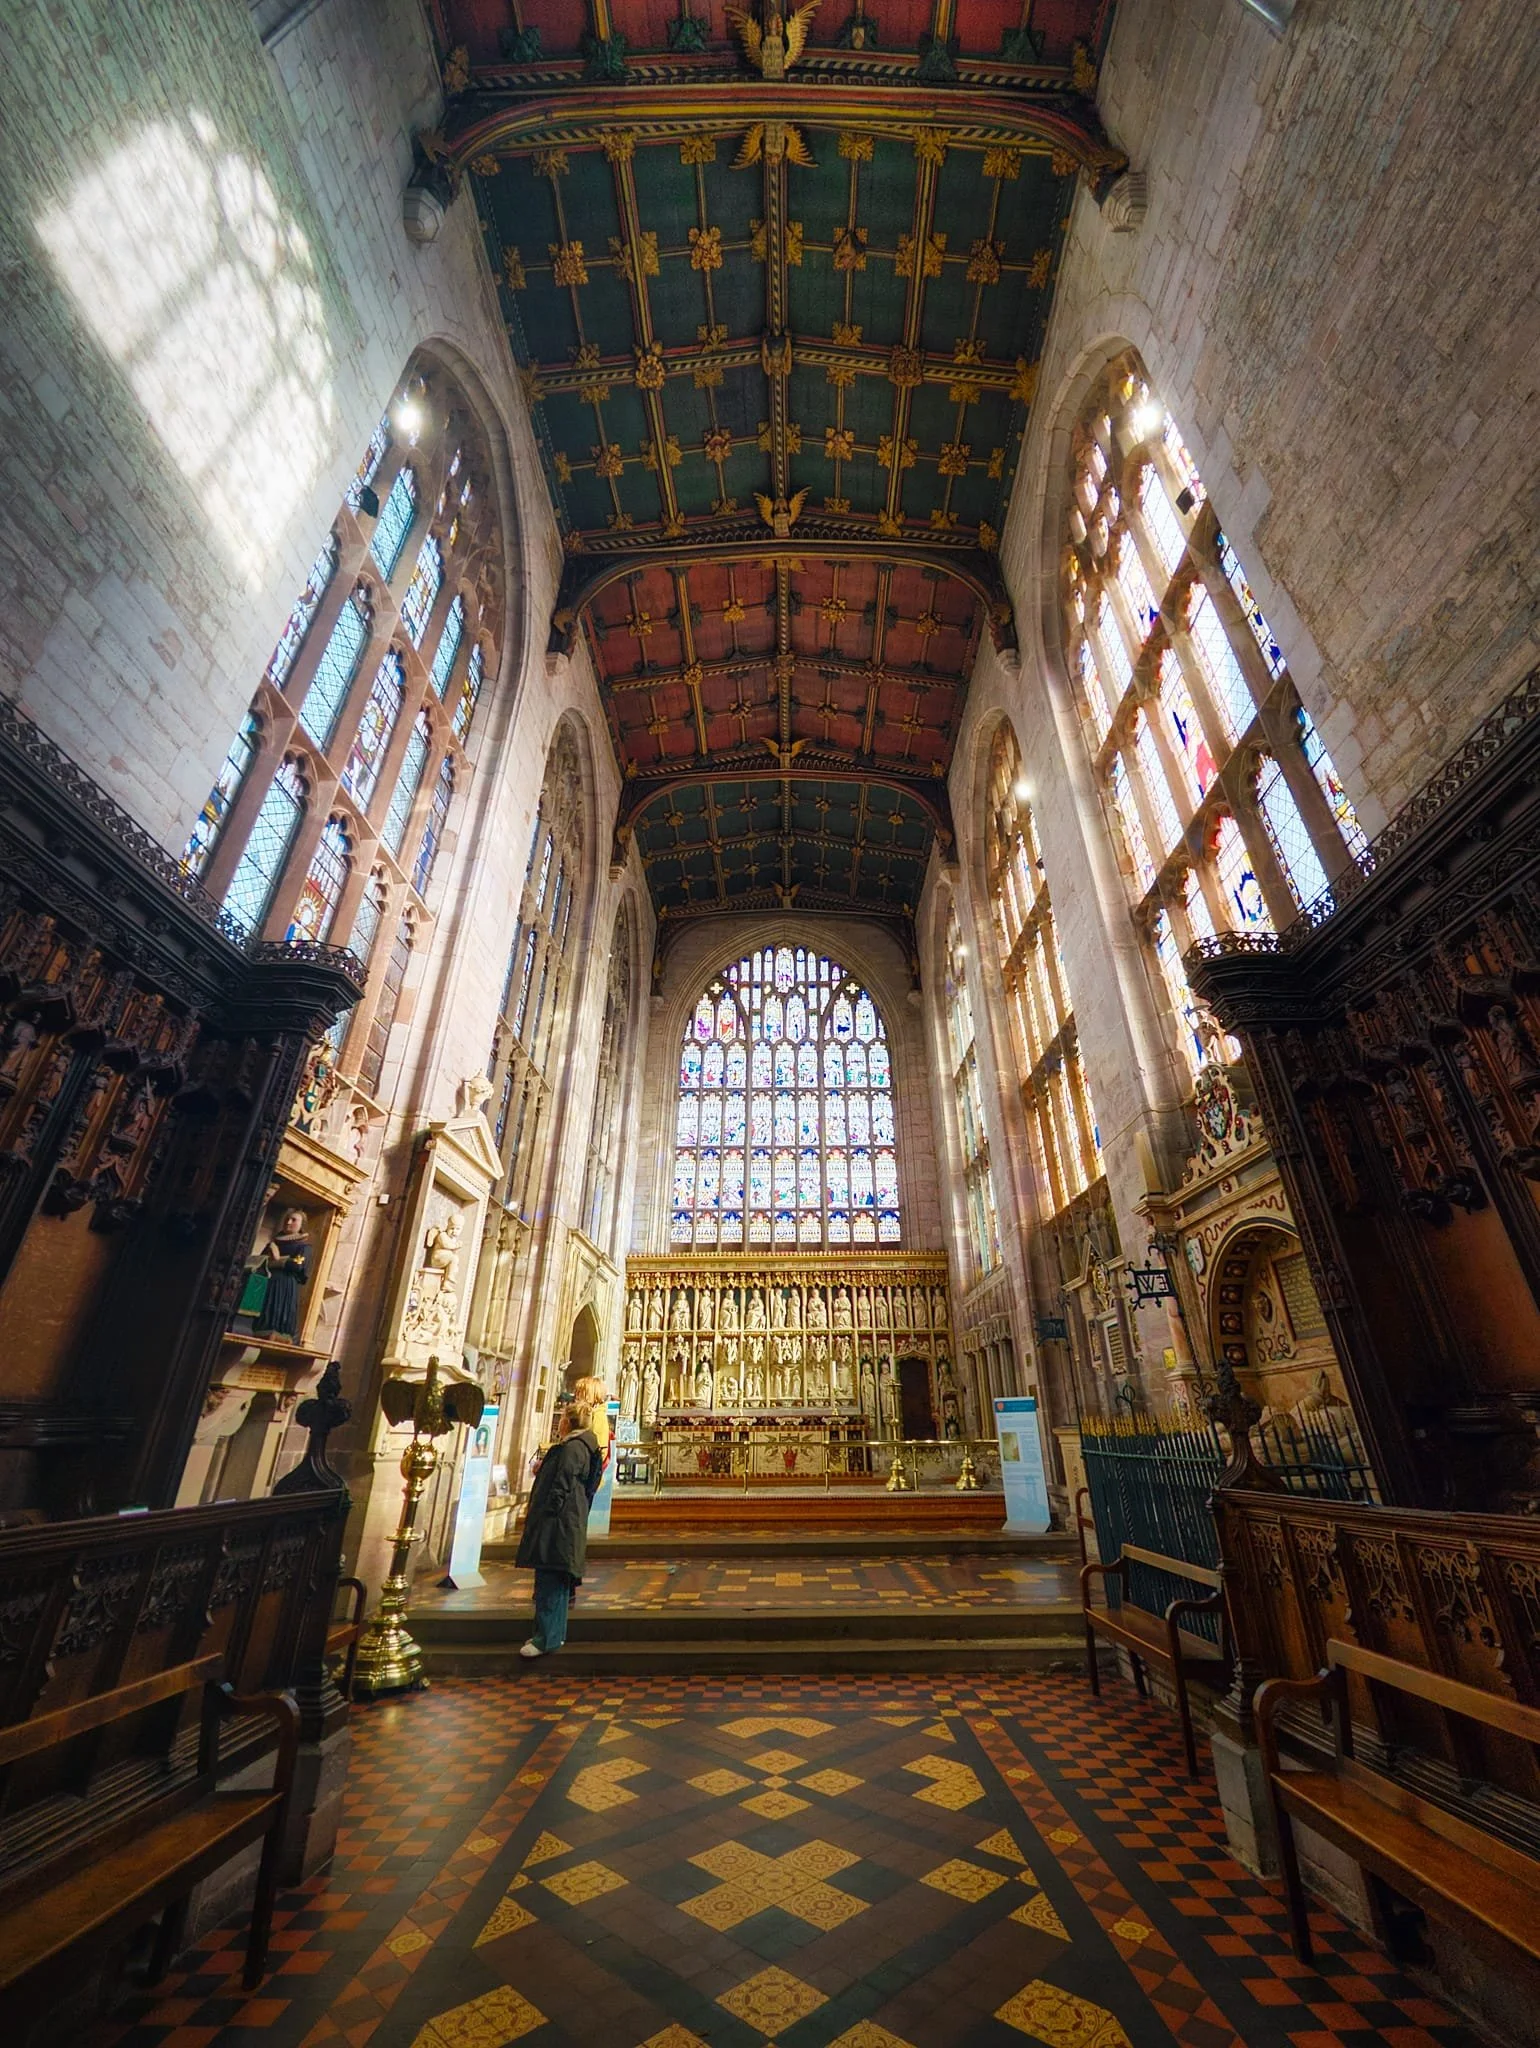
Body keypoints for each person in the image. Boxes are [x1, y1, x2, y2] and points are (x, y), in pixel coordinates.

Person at [515, 1400, 601, 1658]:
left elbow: (561, 1485)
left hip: (557, 1523)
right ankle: (553, 1634)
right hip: (567, 1521)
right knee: (558, 1579)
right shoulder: (583, 1446)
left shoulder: (572, 1448)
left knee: (551, 1580)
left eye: (561, 1418)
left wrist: (548, 1513)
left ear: (566, 1422)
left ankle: (545, 1639)